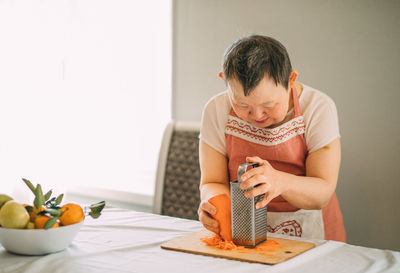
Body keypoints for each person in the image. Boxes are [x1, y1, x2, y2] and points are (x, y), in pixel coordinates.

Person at [197, 35, 346, 242]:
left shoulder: (318, 108)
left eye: (269, 105)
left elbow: (323, 192)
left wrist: (280, 182)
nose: (257, 115)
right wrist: (214, 203)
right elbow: (212, 181)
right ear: (225, 81)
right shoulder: (216, 110)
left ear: (291, 80)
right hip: (242, 229)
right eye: (242, 105)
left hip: (310, 230)